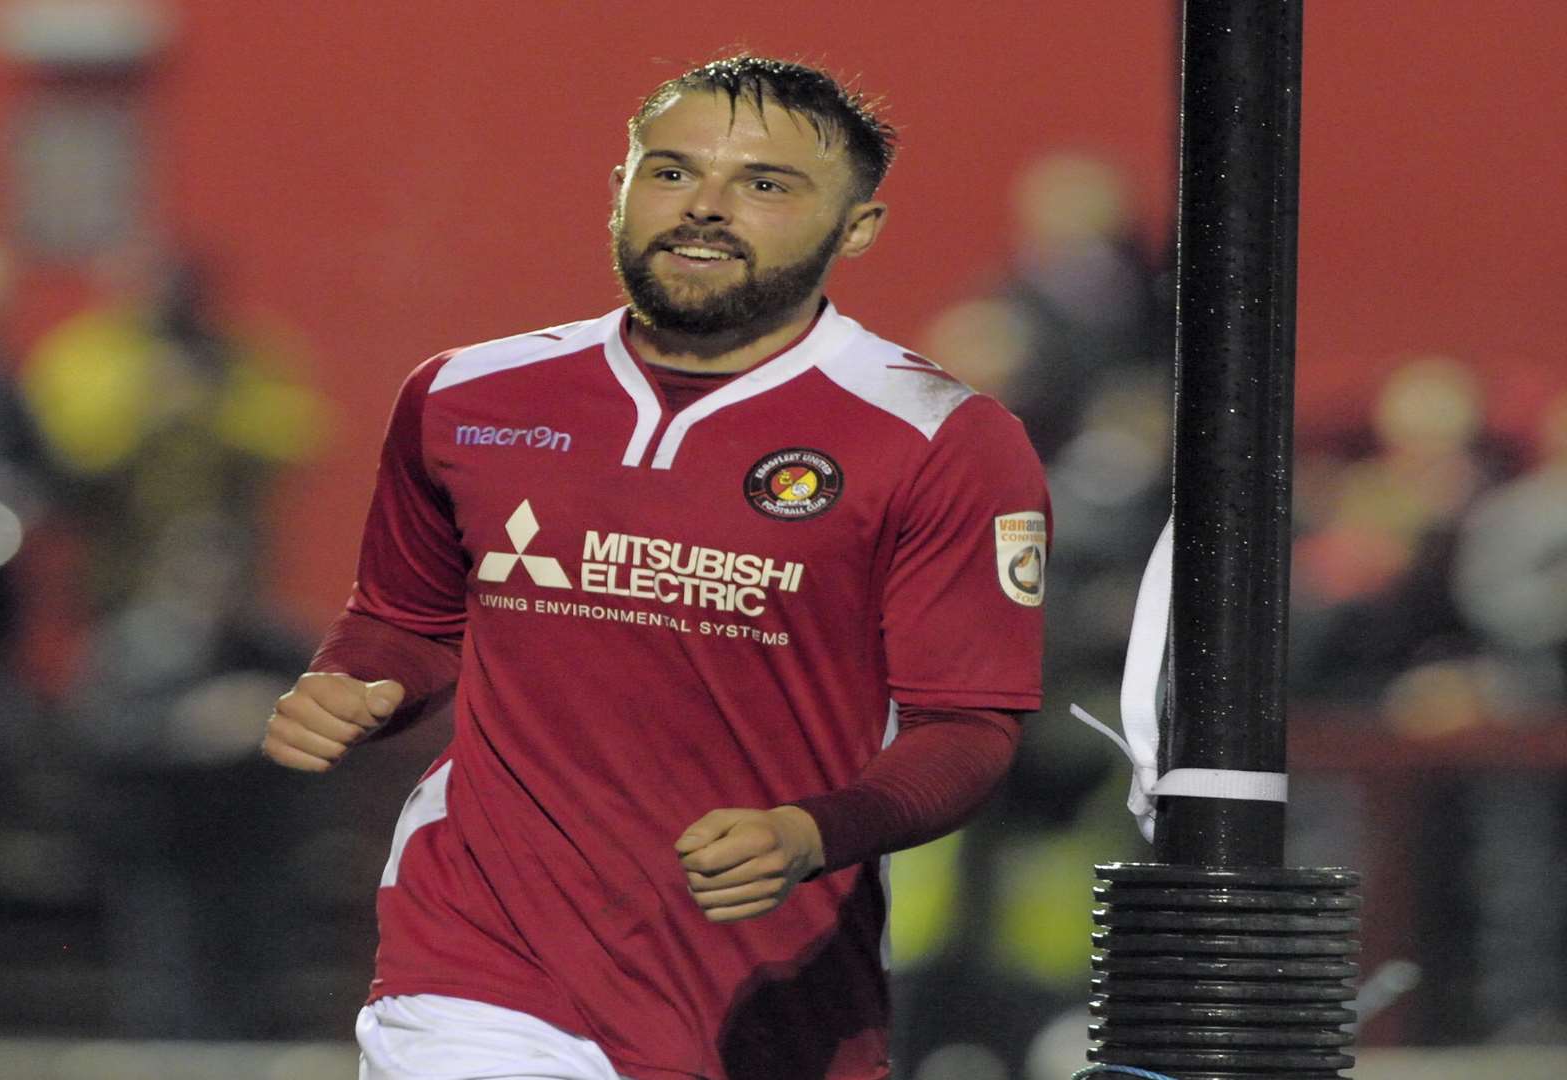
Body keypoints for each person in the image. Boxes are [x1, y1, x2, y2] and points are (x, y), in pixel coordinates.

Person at [262, 56, 1049, 1080]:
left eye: (765, 185)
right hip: (481, 968)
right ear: (620, 188)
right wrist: (354, 682)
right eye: (672, 172)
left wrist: (817, 833)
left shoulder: (941, 438)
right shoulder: (467, 397)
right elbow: (406, 618)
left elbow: (968, 727)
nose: (707, 208)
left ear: (857, 229)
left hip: (771, 1003)